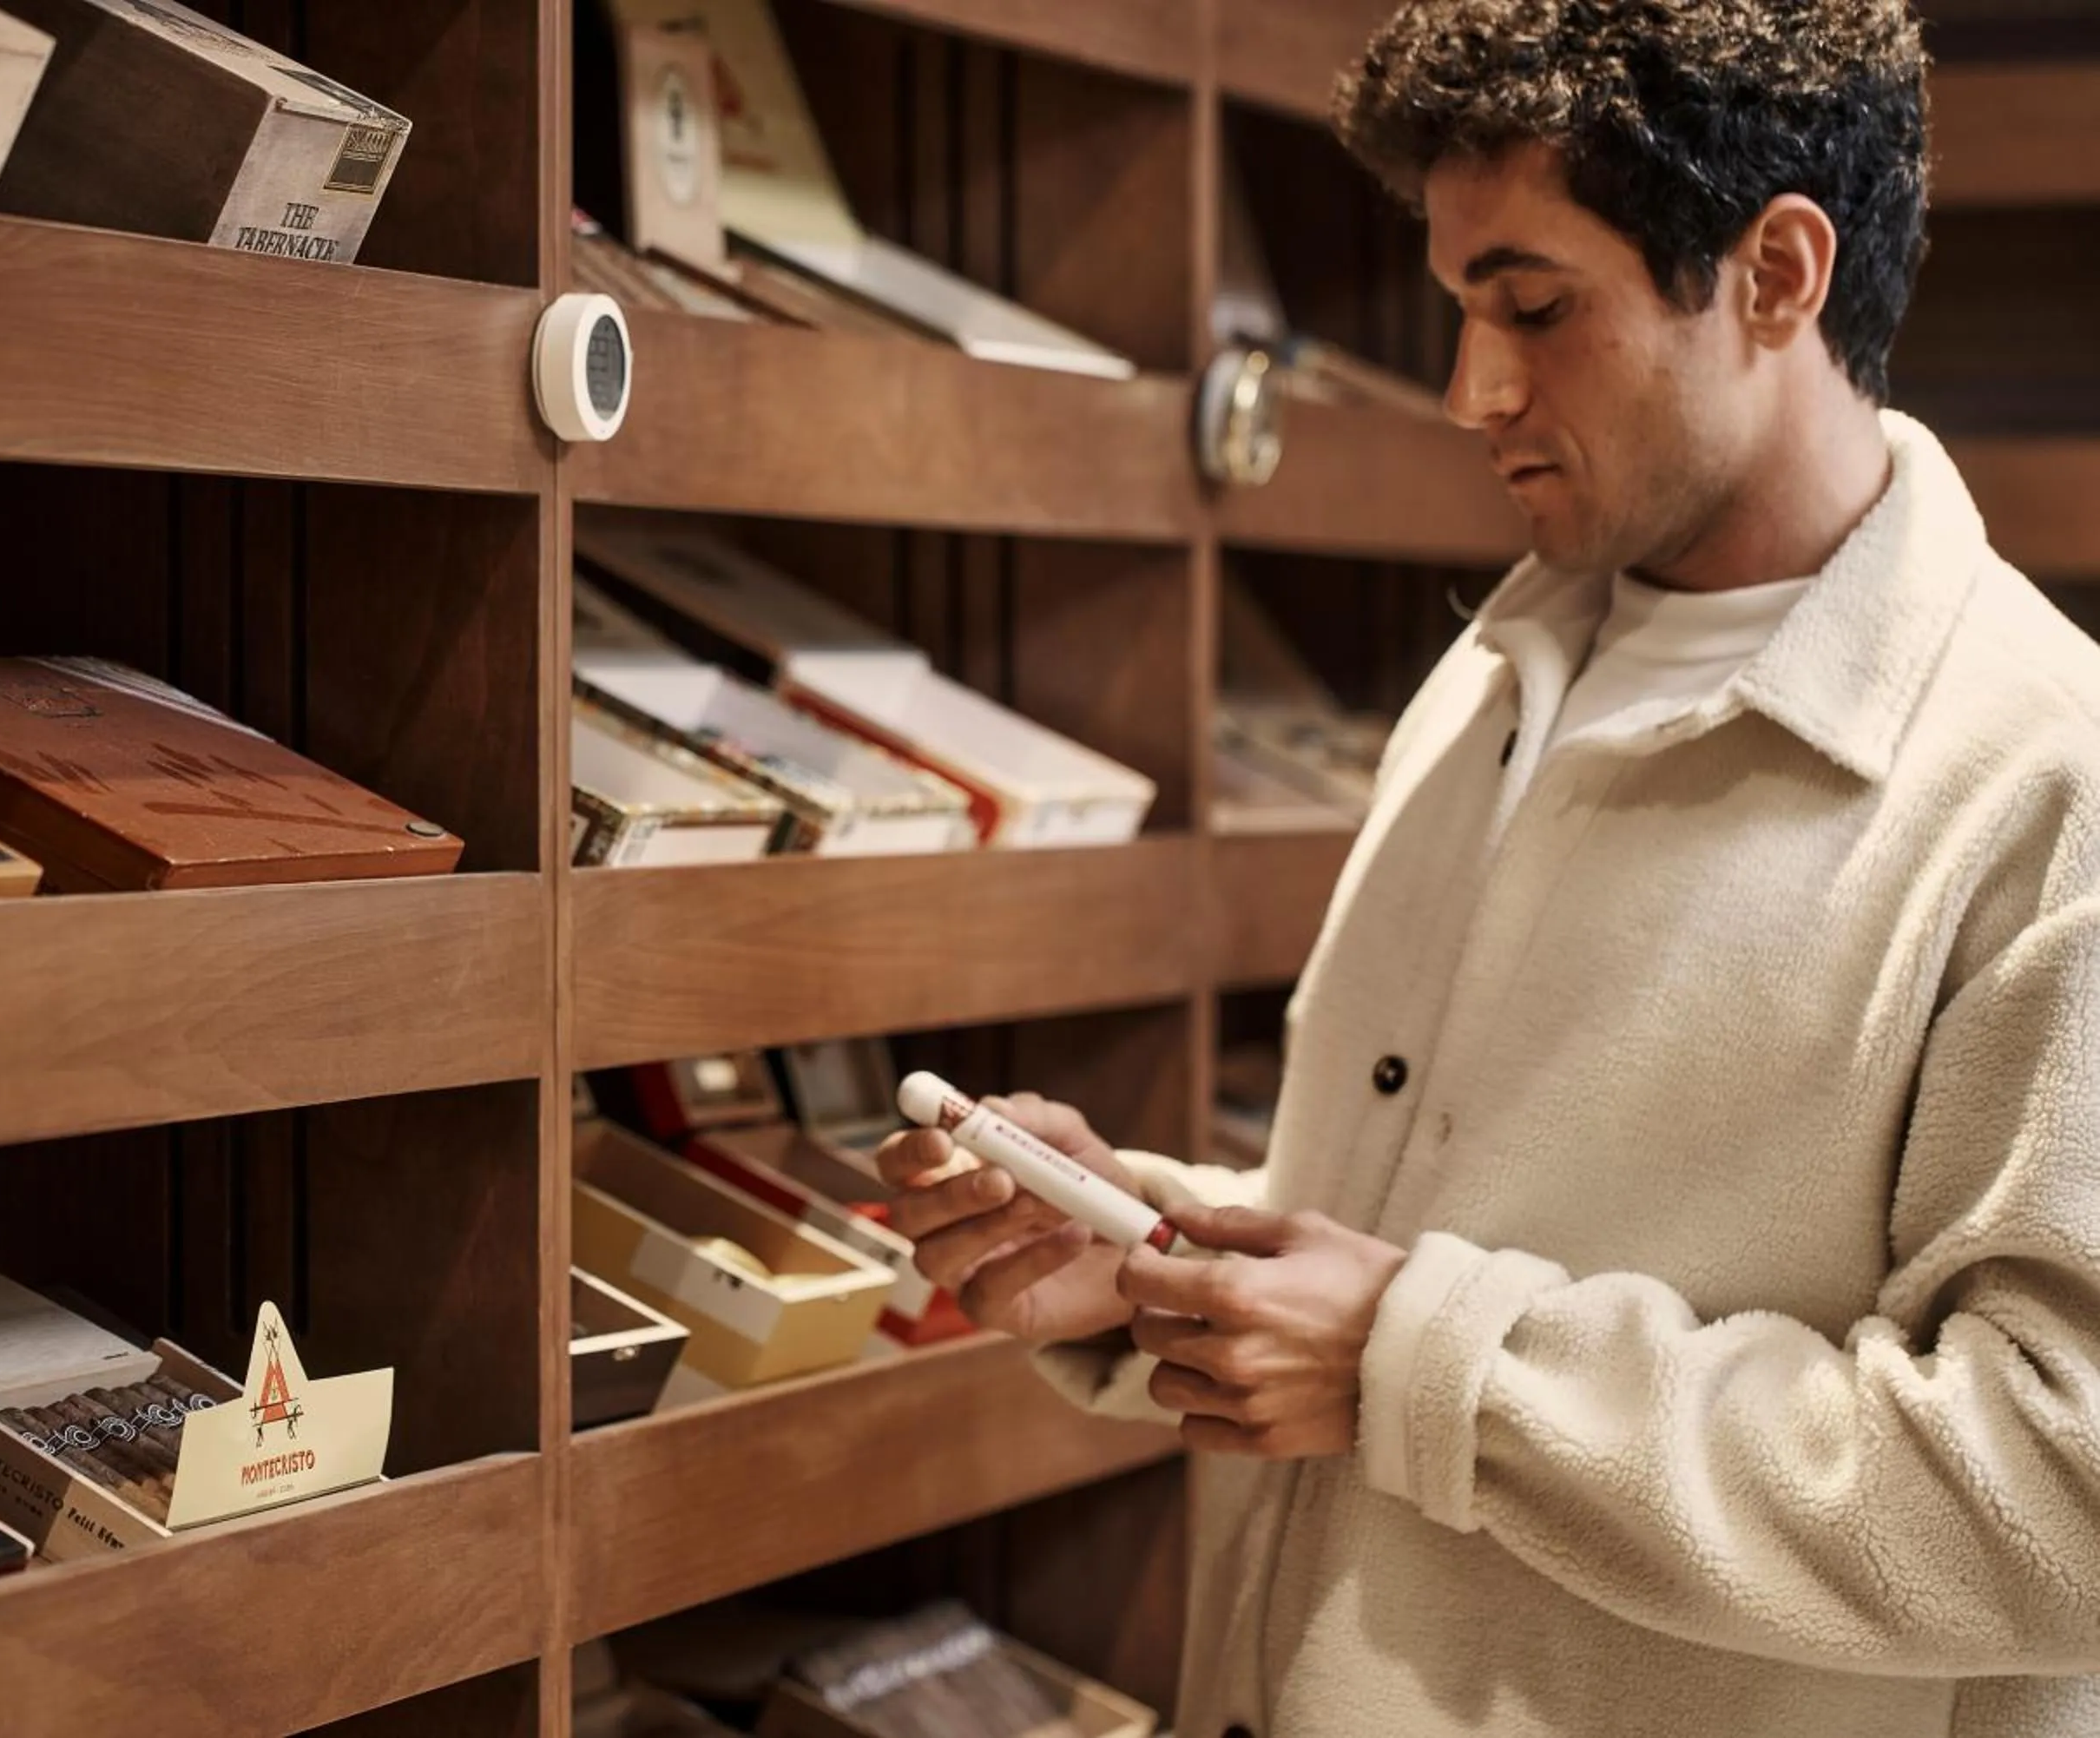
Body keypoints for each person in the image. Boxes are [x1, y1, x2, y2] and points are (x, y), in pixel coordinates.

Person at [874, 3, 2100, 1735]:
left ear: (1779, 273)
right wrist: (1148, 1252)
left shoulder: (2048, 777)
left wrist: (1417, 1359)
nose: (1474, 391)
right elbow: (1435, 1243)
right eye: (1460, 311)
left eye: (1534, 308)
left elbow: (2062, 1489)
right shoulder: (1501, 665)